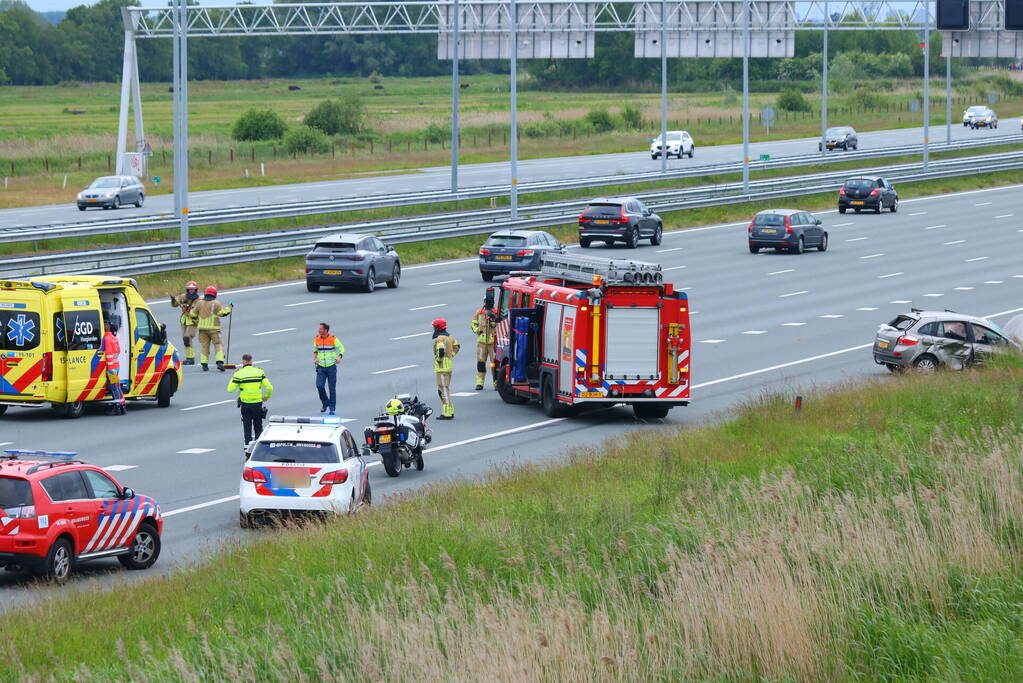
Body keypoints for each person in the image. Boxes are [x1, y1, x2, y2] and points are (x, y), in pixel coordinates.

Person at [227, 353, 273, 451]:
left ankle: (247, 448)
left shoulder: (238, 374)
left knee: (247, 427)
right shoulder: (259, 372)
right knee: (258, 426)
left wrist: (235, 378)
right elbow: (269, 387)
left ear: (242, 362)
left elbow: (230, 389)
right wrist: (266, 397)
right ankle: (259, 448)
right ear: (252, 361)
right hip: (257, 404)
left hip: (245, 404)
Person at [194, 286, 232, 372]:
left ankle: (204, 364)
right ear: (215, 294)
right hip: (214, 329)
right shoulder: (216, 303)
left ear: (205, 293)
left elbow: (193, 314)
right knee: (218, 345)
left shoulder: (199, 303)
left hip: (202, 330)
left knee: (204, 346)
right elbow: (222, 313)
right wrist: (230, 307)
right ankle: (219, 362)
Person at [470, 289, 502, 391]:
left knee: (494, 364)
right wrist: (477, 330)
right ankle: (479, 383)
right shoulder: (479, 312)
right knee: (481, 363)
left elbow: (501, 324)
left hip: (493, 342)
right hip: (481, 342)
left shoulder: (496, 312)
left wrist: (493, 320)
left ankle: (496, 382)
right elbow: (473, 323)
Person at [313, 322, 345, 415]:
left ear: (325, 330)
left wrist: (339, 357)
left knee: (332, 388)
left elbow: (342, 348)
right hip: (321, 367)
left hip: (331, 367)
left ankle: (332, 408)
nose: (318, 330)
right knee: (319, 386)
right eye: (319, 329)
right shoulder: (316, 339)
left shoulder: (333, 339)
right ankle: (325, 403)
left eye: (320, 329)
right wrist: (315, 358)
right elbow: (315, 350)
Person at [432, 318, 459, 420]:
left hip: (442, 368)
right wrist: (451, 355)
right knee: (444, 389)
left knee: (443, 390)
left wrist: (439, 359)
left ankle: (447, 413)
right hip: (448, 366)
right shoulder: (450, 336)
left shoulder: (440, 338)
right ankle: (449, 410)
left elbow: (441, 351)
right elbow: (457, 346)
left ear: (438, 327)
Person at [169, 281, 200, 365]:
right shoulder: (182, 297)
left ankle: (191, 358)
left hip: (193, 321)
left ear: (196, 290)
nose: (191, 291)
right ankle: (189, 358)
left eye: (193, 289)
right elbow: (175, 305)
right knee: (185, 340)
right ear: (187, 290)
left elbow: (198, 311)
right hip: (184, 320)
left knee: (187, 338)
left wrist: (189, 310)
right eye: (189, 289)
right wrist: (173, 300)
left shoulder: (198, 300)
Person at [102, 321, 126, 416]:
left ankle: (117, 408)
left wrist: (107, 367)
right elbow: (118, 351)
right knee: (118, 387)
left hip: (111, 368)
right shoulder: (114, 338)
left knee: (114, 388)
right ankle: (122, 406)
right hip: (116, 366)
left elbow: (106, 353)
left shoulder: (106, 339)